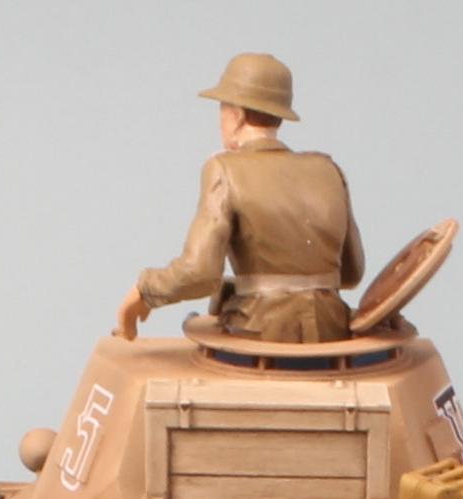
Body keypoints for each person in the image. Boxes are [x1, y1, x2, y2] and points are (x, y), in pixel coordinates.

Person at [116, 53, 364, 344]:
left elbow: (199, 273)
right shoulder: (328, 169)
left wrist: (144, 290)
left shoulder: (224, 169)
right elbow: (351, 272)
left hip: (258, 336)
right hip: (331, 333)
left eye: (223, 108)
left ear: (237, 114)